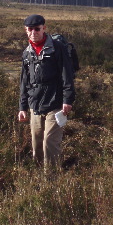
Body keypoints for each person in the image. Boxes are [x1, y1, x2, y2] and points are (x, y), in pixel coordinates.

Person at [18, 14, 76, 167]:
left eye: (37, 29)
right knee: (37, 146)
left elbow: (67, 75)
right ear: (26, 30)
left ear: (44, 28)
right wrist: (22, 107)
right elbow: (24, 81)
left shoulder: (58, 49)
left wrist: (67, 100)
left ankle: (51, 181)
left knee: (49, 143)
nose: (33, 33)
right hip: (35, 105)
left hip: (55, 103)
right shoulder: (27, 53)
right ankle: (38, 182)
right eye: (30, 30)